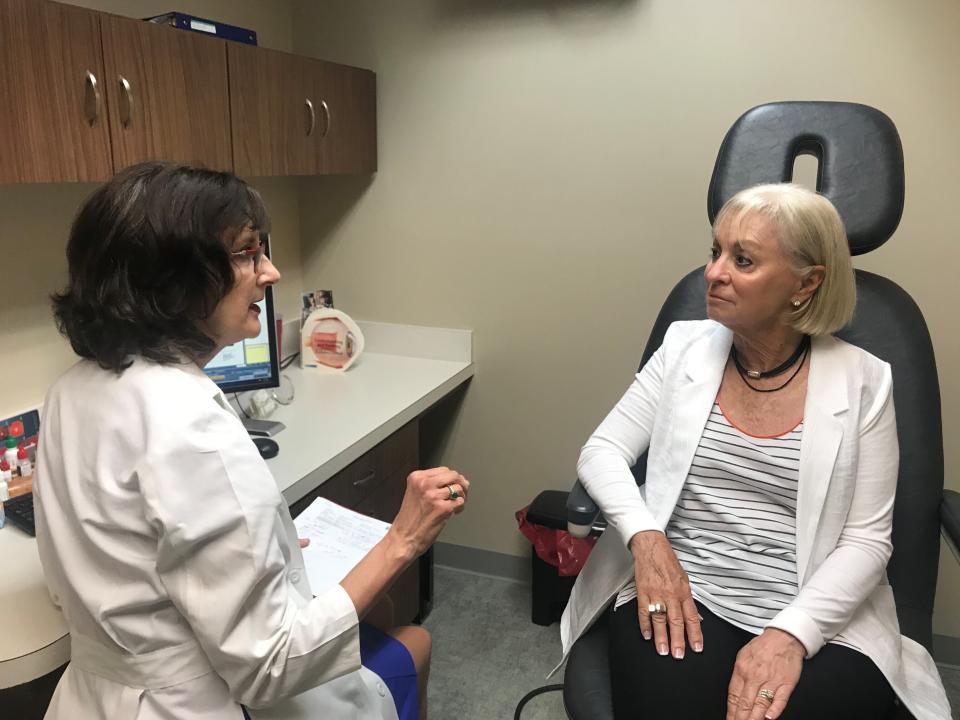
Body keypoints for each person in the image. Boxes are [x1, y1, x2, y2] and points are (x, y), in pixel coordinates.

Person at [34, 162, 469, 720]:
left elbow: (124, 563)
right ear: (172, 278)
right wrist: (403, 540)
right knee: (408, 643)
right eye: (246, 253)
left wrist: (265, 554)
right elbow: (274, 665)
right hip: (202, 702)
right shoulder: (190, 425)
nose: (271, 272)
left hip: (99, 697)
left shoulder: (71, 392)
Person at [560, 184, 949, 720]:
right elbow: (602, 450)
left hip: (815, 606)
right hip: (685, 587)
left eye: (742, 260)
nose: (714, 273)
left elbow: (865, 540)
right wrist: (647, 541)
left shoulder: (865, 381)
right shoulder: (684, 348)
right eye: (715, 252)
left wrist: (790, 634)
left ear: (806, 282)